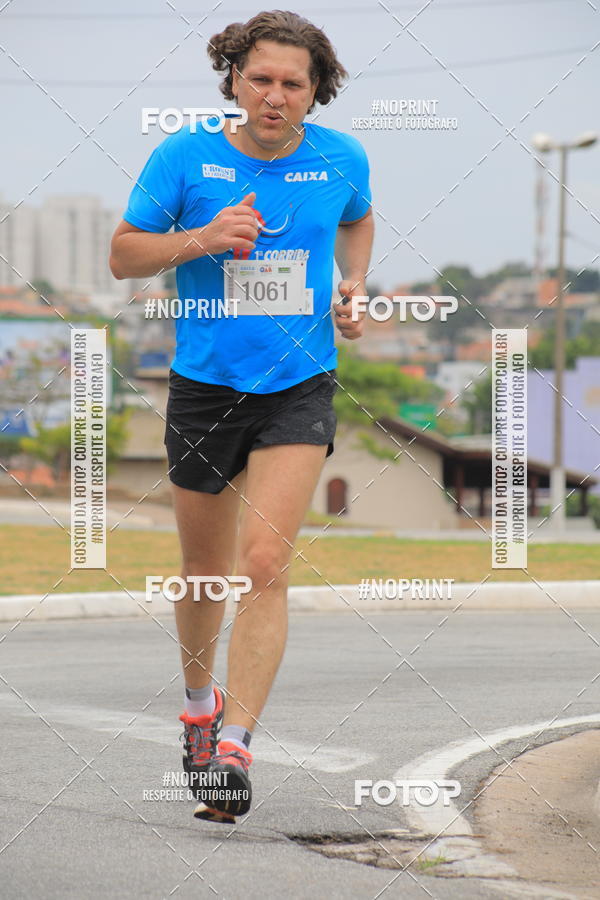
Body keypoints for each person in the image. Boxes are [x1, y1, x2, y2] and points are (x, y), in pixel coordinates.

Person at [110, 9, 373, 823]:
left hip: (300, 383)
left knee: (265, 563)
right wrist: (203, 237)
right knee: (205, 572)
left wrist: (353, 286)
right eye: (260, 78)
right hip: (205, 386)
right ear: (233, 79)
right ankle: (199, 708)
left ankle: (235, 746)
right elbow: (123, 254)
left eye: (293, 83)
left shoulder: (342, 157)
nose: (275, 96)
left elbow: (358, 216)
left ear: (315, 92)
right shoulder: (184, 155)